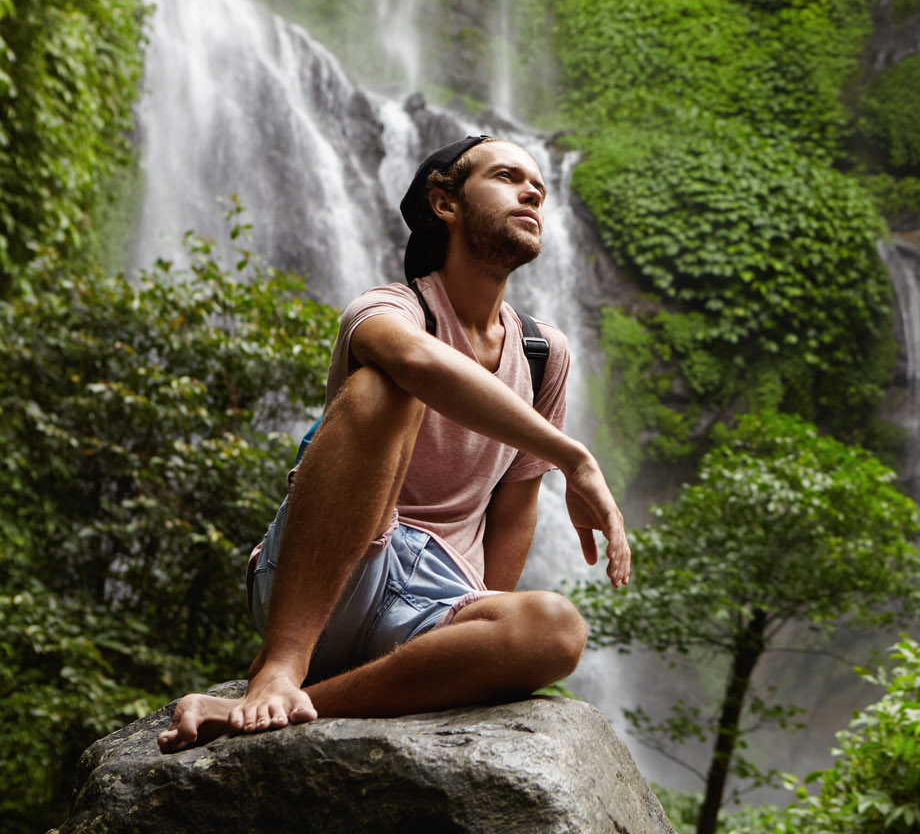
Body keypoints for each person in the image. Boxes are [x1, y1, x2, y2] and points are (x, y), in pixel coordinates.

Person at [158, 135, 630, 753]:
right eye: (508, 177)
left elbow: (515, 507)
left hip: (431, 606)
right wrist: (575, 456)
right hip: (333, 572)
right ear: (445, 203)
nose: (532, 192)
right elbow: (414, 361)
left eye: (538, 187)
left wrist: (482, 622)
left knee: (556, 629)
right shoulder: (390, 308)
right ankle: (279, 667)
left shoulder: (544, 355)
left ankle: (282, 707)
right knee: (387, 387)